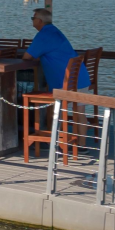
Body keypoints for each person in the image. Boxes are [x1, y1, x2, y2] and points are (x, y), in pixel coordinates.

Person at [23, 8, 90, 148]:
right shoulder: (55, 31)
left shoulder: (44, 35)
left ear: (39, 21)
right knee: (80, 112)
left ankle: (56, 141)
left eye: (32, 18)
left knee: (57, 109)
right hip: (81, 78)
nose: (32, 20)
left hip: (66, 84)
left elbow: (27, 57)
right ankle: (82, 146)